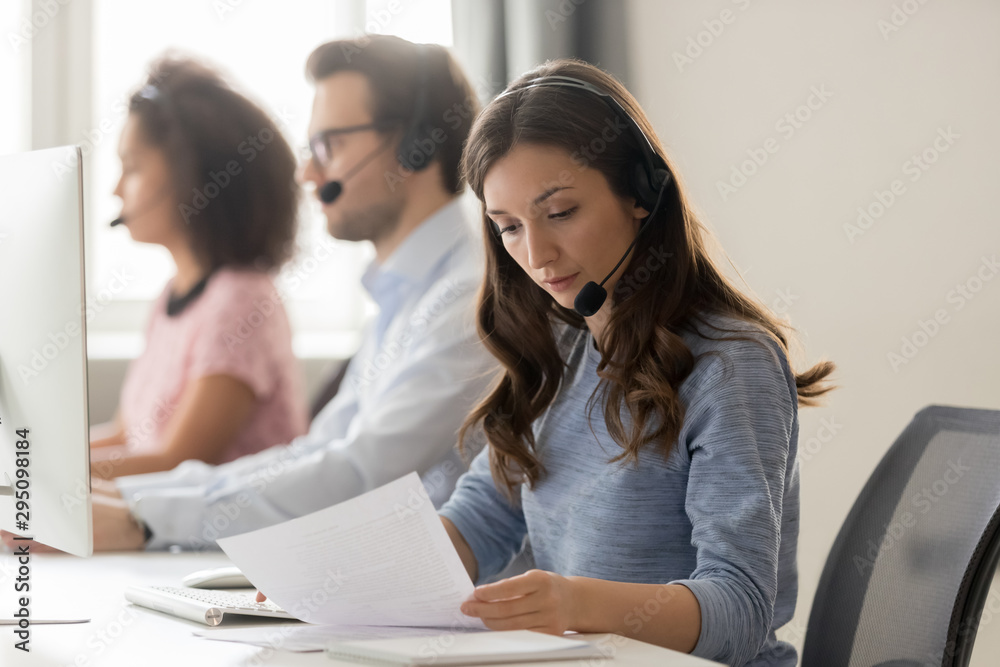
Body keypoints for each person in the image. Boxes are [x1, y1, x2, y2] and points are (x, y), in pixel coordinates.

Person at [1, 35, 496, 553]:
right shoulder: (403, 296)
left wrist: (140, 515)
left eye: (331, 145)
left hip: (435, 591)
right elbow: (320, 451)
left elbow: (363, 473)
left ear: (416, 144)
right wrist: (127, 499)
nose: (309, 173)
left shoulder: (468, 300)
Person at [435, 60, 836, 666]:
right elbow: (484, 517)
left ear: (640, 195)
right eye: (509, 227)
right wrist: (354, 577)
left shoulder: (731, 365)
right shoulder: (564, 350)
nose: (537, 255)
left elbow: (742, 607)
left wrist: (574, 605)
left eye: (561, 212)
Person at [89, 57, 308, 479]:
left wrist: (30, 478)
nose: (116, 189)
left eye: (131, 168)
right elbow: (127, 435)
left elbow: (176, 461)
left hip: (220, 541)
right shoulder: (173, 294)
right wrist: (24, 465)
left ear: (191, 175)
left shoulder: (241, 300)